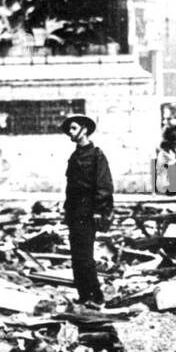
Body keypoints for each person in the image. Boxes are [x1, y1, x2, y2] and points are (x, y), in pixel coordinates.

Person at [62, 115, 113, 308]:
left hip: (88, 210)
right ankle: (83, 295)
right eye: (69, 130)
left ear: (84, 129)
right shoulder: (74, 156)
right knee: (77, 255)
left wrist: (99, 210)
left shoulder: (96, 155)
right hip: (74, 211)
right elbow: (70, 187)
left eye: (74, 129)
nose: (70, 133)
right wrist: (67, 211)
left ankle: (96, 295)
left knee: (85, 255)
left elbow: (104, 185)